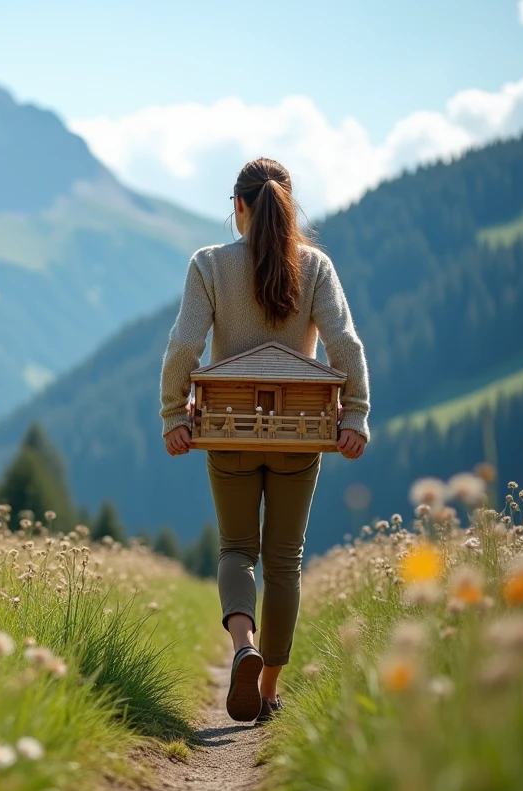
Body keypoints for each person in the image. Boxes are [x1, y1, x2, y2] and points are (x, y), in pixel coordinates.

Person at [159, 158, 370, 724]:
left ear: (239, 207)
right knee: (284, 563)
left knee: (236, 550)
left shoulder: (209, 265)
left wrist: (173, 413)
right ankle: (270, 690)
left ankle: (243, 648)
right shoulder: (316, 267)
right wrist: (354, 415)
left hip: (229, 428)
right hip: (299, 433)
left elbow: (185, 347)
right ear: (288, 205)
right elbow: (344, 345)